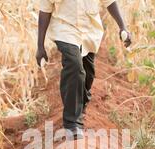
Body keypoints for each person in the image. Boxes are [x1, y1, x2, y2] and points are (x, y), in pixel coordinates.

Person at [36, 0, 132, 140]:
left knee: (88, 74)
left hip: (89, 31)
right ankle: (72, 123)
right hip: (65, 29)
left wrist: (123, 27)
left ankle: (80, 106)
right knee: (75, 67)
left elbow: (110, 2)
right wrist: (40, 46)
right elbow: (45, 10)